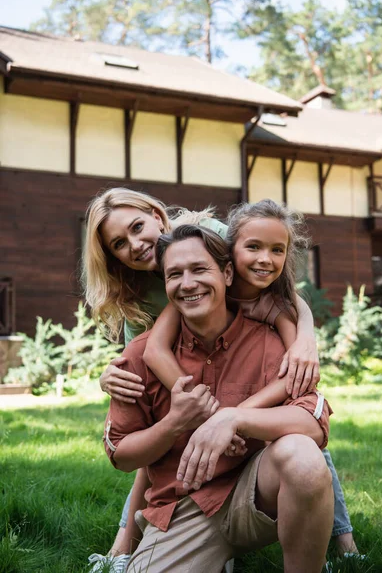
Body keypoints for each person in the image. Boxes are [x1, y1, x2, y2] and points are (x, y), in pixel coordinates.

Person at [83, 188, 322, 572]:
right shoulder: (143, 299)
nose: (135, 243)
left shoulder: (209, 236)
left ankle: (338, 539)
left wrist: (305, 339)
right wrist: (114, 374)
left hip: (256, 457)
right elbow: (151, 355)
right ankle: (128, 542)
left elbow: (289, 304)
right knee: (164, 439)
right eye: (119, 243)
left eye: (138, 226)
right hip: (188, 467)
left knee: (303, 451)